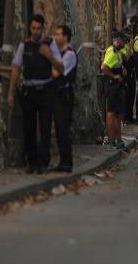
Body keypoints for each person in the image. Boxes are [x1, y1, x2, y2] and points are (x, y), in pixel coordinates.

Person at [8, 14, 64, 174]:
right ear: (29, 28)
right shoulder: (24, 45)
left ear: (43, 29)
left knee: (45, 128)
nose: (36, 31)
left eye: (39, 28)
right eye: (33, 28)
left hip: (45, 90)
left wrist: (49, 56)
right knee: (29, 128)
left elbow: (60, 67)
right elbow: (16, 67)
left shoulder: (49, 44)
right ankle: (31, 162)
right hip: (29, 91)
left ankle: (43, 162)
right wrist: (10, 93)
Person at [52, 24, 77, 172]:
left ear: (66, 37)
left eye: (59, 34)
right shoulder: (59, 53)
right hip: (57, 95)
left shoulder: (69, 54)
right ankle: (63, 161)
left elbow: (56, 73)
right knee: (59, 129)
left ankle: (67, 162)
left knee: (63, 129)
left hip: (65, 95)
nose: (56, 37)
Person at [100, 30, 128, 150]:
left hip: (117, 86)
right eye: (123, 41)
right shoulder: (112, 52)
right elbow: (104, 68)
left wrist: (122, 70)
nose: (125, 43)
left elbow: (124, 58)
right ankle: (111, 141)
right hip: (112, 86)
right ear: (117, 41)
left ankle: (119, 140)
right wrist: (114, 76)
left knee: (118, 113)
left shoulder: (118, 51)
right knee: (111, 113)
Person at [122, 26, 137, 124]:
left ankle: (130, 116)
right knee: (126, 96)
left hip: (132, 74)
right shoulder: (123, 47)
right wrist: (130, 46)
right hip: (125, 76)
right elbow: (126, 58)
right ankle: (126, 117)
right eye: (128, 35)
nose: (129, 37)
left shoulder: (132, 47)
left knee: (132, 96)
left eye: (130, 35)